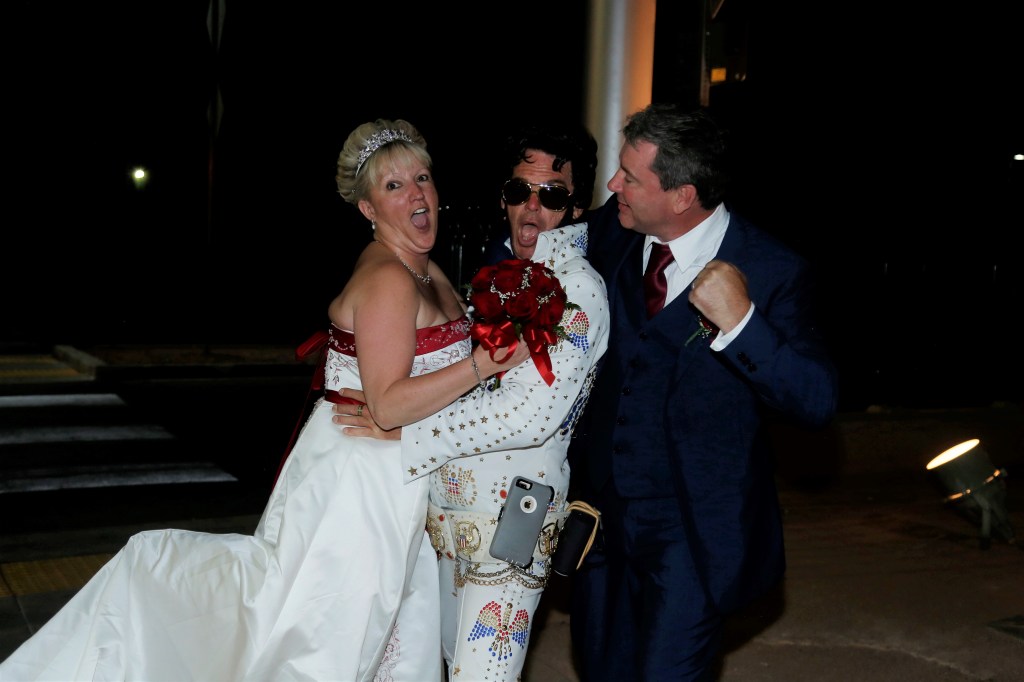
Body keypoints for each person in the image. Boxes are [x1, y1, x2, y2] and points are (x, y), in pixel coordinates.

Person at [0, 118, 531, 682]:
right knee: (326, 642)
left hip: (399, 468)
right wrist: (485, 363)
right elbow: (388, 405)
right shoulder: (389, 281)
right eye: (394, 186)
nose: (416, 194)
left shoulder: (428, 272)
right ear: (367, 208)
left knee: (380, 633)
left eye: (421, 178)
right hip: (363, 485)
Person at [568, 103, 839, 681]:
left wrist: (742, 323)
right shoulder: (614, 230)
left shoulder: (772, 270)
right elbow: (535, 249)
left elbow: (816, 401)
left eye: (630, 177)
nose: (612, 185)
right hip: (603, 522)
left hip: (691, 533)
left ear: (682, 196)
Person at [331, 118, 609, 681]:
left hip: (511, 526)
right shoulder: (504, 275)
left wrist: (406, 431)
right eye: (519, 191)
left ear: (577, 207)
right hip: (447, 524)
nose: (532, 207)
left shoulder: (578, 289)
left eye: (553, 195)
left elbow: (530, 414)